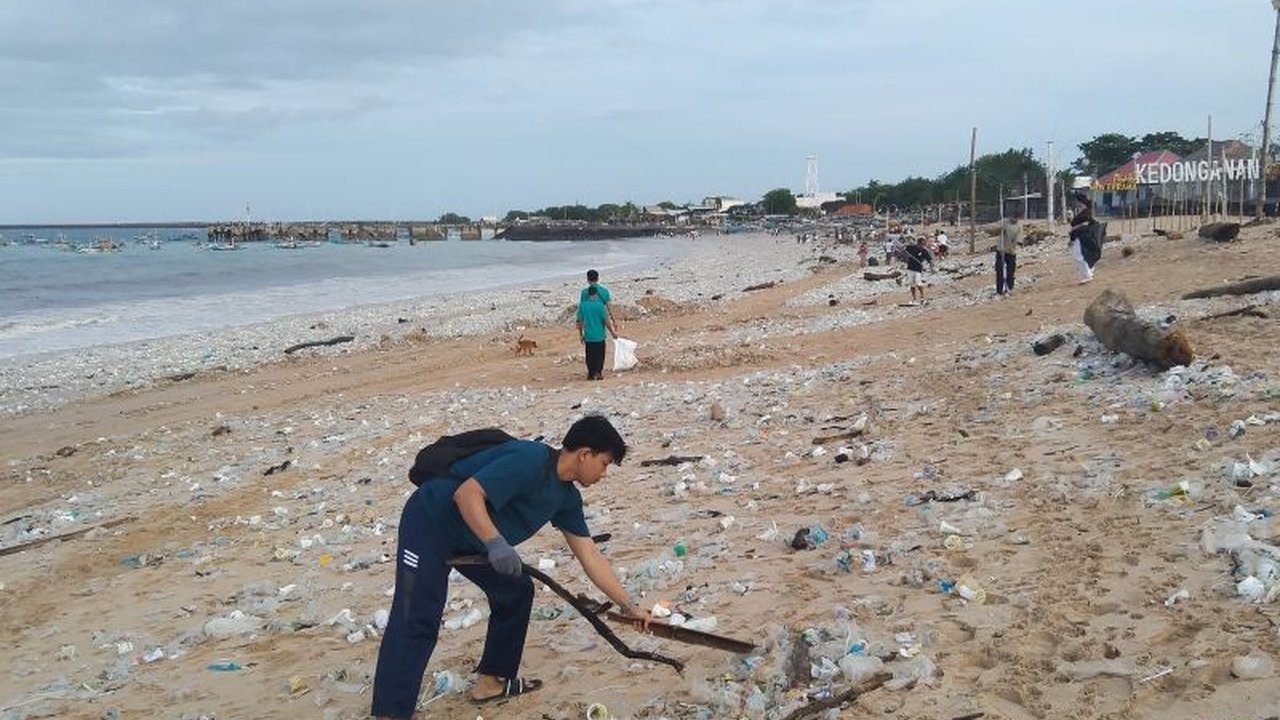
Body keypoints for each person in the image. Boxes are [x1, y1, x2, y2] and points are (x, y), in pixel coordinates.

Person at [370, 415, 648, 718]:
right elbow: (467, 494)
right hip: (430, 521)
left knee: (515, 591)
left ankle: (491, 681)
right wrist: (495, 543)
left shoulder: (566, 498)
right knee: (416, 614)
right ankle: (390, 712)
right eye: (604, 464)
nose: (604, 474)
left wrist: (629, 606)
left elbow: (589, 554)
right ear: (585, 454)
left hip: (472, 538)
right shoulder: (529, 459)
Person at [577, 285, 617, 381]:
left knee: (589, 355)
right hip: (599, 335)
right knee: (599, 355)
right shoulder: (600, 305)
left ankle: (591, 373)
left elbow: (580, 321)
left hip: (589, 335)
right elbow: (606, 321)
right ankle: (598, 372)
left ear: (588, 294)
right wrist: (612, 332)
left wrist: (581, 334)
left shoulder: (583, 306)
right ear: (596, 294)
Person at [1068, 193, 1096, 284]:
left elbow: (1083, 224)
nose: (1075, 203)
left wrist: (1073, 232)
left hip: (1081, 236)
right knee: (1081, 255)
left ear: (1080, 202)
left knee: (1078, 256)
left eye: (1077, 201)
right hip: (1080, 235)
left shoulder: (1086, 212)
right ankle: (1087, 272)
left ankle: (1087, 275)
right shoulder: (1083, 211)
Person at [902, 236, 935, 303]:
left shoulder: (924, 251)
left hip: (918, 269)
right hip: (910, 268)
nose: (922, 246)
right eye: (921, 244)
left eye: (924, 244)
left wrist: (932, 268)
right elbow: (904, 249)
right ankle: (914, 298)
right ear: (918, 243)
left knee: (918, 283)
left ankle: (922, 297)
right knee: (912, 285)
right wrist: (904, 251)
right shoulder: (911, 248)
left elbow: (930, 260)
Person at [995, 214, 1021, 296]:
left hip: (1011, 252)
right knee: (1000, 270)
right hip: (1000, 251)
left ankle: (1010, 287)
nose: (1014, 219)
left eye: (1016, 218)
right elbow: (994, 231)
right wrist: (1000, 229)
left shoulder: (1019, 227)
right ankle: (999, 290)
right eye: (1013, 217)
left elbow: (1016, 241)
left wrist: (1007, 249)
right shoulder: (1004, 222)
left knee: (1010, 270)